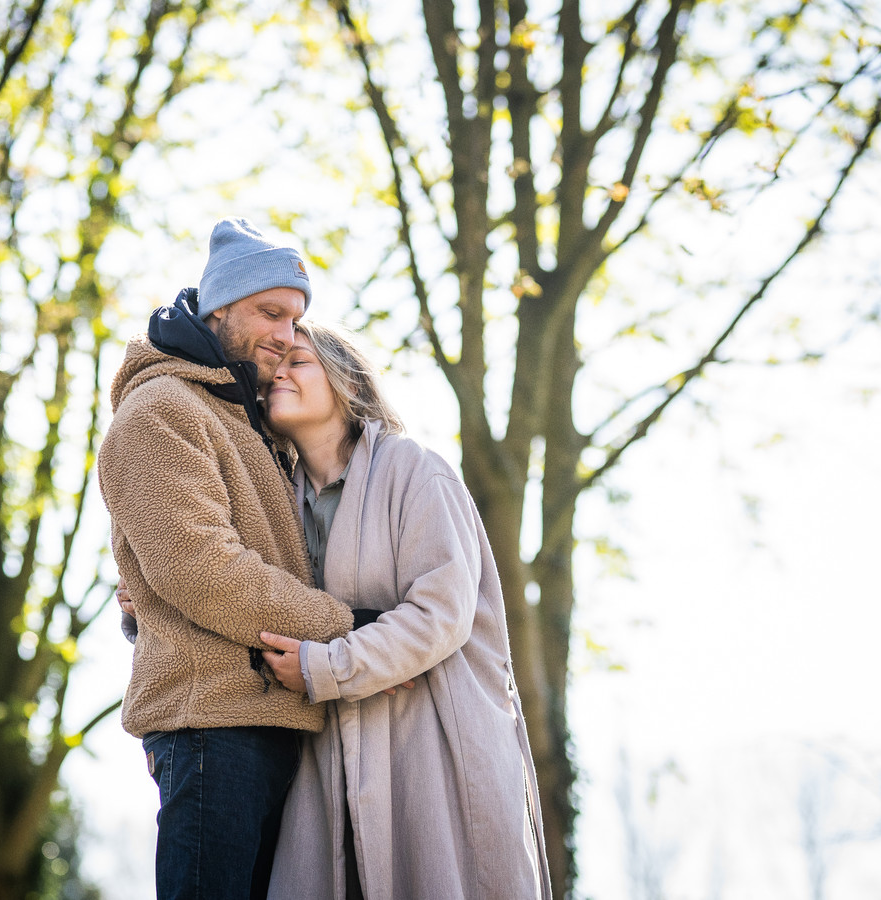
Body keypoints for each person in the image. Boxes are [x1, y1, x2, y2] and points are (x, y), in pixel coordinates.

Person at [97, 217, 357, 900]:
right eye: (270, 311)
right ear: (218, 308)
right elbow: (202, 573)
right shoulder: (162, 411)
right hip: (211, 725)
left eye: (297, 318)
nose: (287, 333)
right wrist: (348, 624)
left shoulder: (244, 418)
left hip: (273, 717)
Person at [257, 321, 552, 900]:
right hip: (327, 769)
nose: (278, 374)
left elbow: (440, 614)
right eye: (275, 365)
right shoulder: (278, 498)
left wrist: (328, 667)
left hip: (434, 755)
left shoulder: (417, 472)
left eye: (299, 361)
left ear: (347, 384)